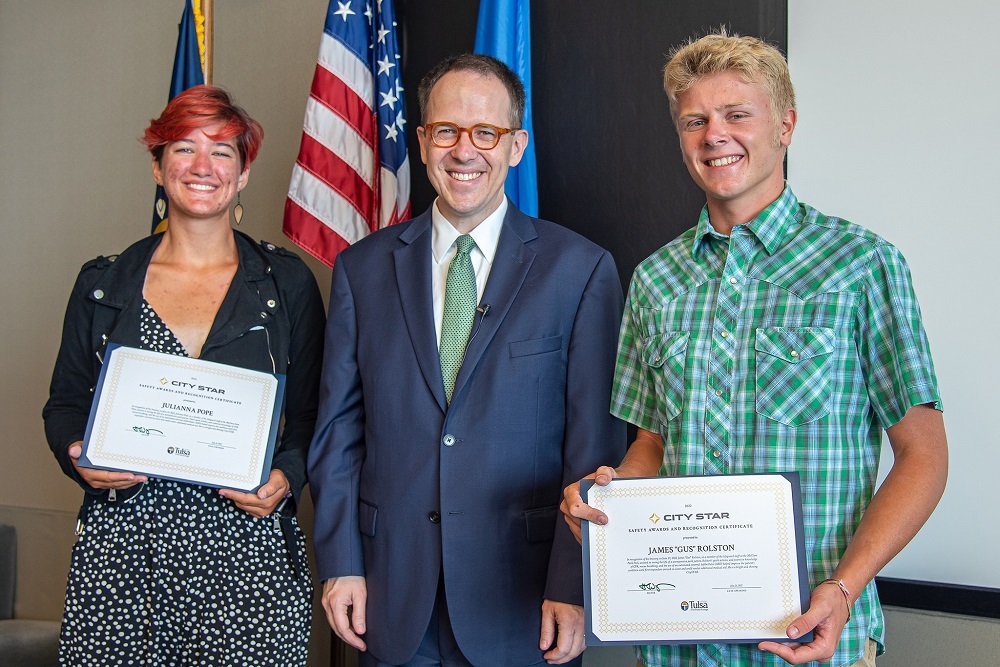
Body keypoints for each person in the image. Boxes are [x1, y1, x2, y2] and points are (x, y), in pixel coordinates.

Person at [561, 31, 948, 667]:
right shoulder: (655, 279)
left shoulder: (861, 265)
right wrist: (606, 498)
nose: (715, 134)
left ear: (786, 125)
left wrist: (844, 590)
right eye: (695, 120)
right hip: (677, 643)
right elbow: (651, 445)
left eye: (737, 114)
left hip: (813, 641)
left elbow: (923, 456)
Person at [308, 53, 626, 666]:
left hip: (526, 601)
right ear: (423, 141)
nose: (465, 151)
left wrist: (575, 584)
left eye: (487, 133)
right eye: (446, 131)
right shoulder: (361, 269)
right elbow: (338, 432)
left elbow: (594, 447)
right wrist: (341, 563)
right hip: (390, 595)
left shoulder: (580, 270)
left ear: (516, 146)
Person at [42, 85, 325, 666]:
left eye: (223, 151)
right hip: (122, 553)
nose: (203, 167)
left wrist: (288, 475)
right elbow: (65, 402)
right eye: (183, 149)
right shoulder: (102, 284)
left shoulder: (285, 284)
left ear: (244, 173)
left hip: (248, 554)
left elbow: (315, 411)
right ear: (157, 165)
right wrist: (78, 451)